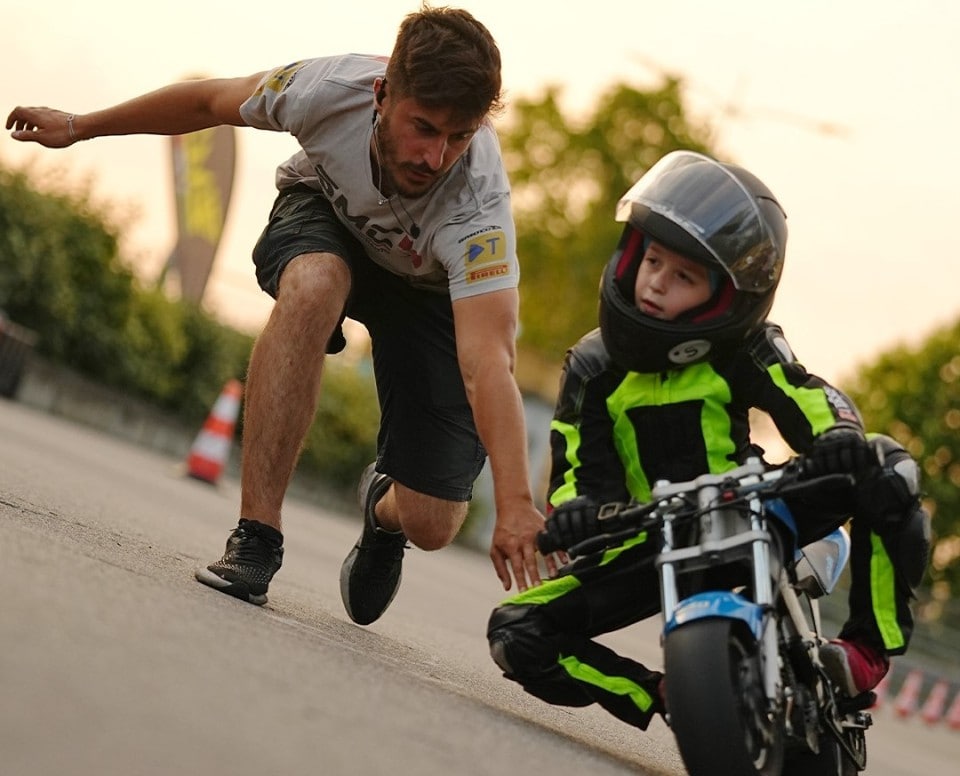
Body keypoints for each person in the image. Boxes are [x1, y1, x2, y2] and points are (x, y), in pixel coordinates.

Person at [7, 4, 557, 624]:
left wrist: (514, 503)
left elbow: (488, 363)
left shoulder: (478, 205)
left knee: (433, 522)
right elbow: (206, 102)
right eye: (423, 127)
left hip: (426, 289)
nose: (435, 157)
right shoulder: (325, 89)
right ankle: (256, 539)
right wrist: (80, 125)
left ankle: (383, 508)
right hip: (325, 215)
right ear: (381, 95)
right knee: (314, 283)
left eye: (460, 137)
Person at [486, 150, 931, 731]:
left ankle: (867, 653)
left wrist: (838, 435)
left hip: (753, 506)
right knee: (515, 630)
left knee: (887, 468)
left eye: (684, 276)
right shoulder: (593, 366)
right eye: (652, 260)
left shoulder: (745, 347)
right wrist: (573, 515)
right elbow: (576, 475)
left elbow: (804, 396)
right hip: (648, 531)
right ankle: (664, 694)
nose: (654, 283)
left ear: (726, 293)